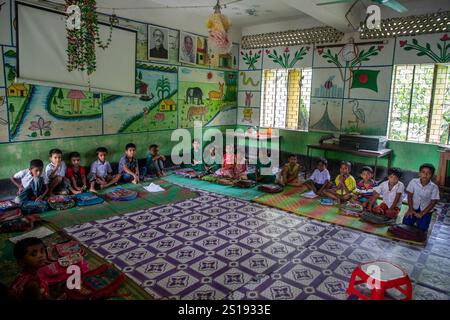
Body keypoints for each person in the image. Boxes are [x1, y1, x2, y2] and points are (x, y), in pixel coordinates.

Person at [403, 163, 440, 231]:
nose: (425, 175)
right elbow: (409, 196)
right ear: (419, 173)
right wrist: (410, 209)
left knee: (422, 228)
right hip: (413, 208)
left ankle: (420, 220)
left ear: (432, 175)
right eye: (423, 172)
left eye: (428, 173)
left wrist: (422, 213)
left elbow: (433, 202)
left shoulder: (434, 187)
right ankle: (417, 219)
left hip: (426, 210)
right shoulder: (413, 182)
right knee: (405, 223)